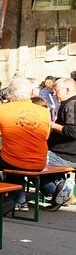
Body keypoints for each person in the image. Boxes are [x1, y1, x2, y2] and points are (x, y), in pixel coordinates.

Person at [0, 77, 62, 213]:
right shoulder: (44, 111)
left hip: (13, 160)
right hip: (40, 161)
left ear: (10, 92)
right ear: (30, 93)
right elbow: (45, 136)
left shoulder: (2, 110)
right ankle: (13, 198)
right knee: (10, 156)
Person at [47, 77, 76, 207]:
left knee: (30, 158)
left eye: (56, 90)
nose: (54, 94)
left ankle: (59, 187)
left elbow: (72, 131)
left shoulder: (72, 104)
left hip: (65, 155)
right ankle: (62, 191)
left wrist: (53, 126)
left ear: (67, 89)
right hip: (64, 153)